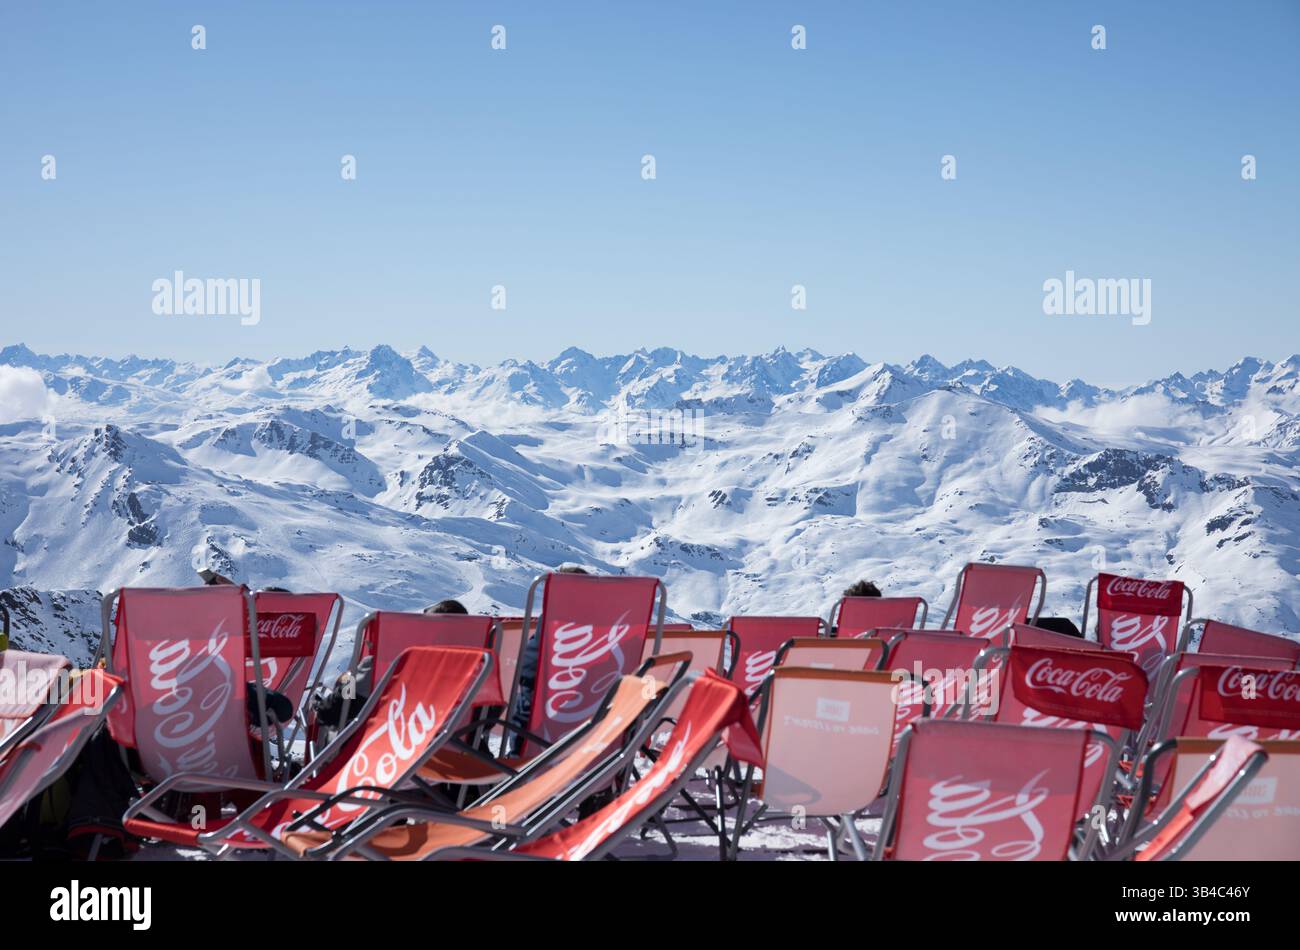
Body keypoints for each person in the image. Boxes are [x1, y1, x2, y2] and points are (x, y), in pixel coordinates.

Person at [506, 565, 588, 755]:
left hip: (533, 747)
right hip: (589, 755)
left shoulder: (554, 619)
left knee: (527, 698)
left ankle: (515, 765)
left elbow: (528, 666)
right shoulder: (608, 634)